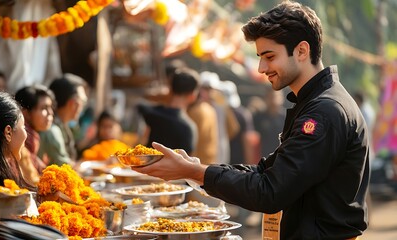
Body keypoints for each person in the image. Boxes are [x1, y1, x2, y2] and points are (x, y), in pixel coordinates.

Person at [132, 1, 370, 239]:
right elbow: (267, 173)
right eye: (260, 57)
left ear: (301, 51)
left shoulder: (324, 111)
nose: (261, 67)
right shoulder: (314, 102)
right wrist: (197, 169)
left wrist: (196, 173)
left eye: (269, 56)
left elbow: (270, 191)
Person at [137, 67, 199, 154]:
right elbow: (186, 162)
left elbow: (139, 104)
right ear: (193, 95)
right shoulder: (188, 128)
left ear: (169, 89)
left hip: (147, 165)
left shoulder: (151, 114)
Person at [38, 73, 88, 166]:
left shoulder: (62, 126)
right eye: (82, 101)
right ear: (72, 104)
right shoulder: (52, 130)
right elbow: (65, 167)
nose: (82, 106)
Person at [15, 85, 55, 183]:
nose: (51, 113)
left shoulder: (34, 138)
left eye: (50, 107)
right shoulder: (19, 142)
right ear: (25, 113)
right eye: (44, 108)